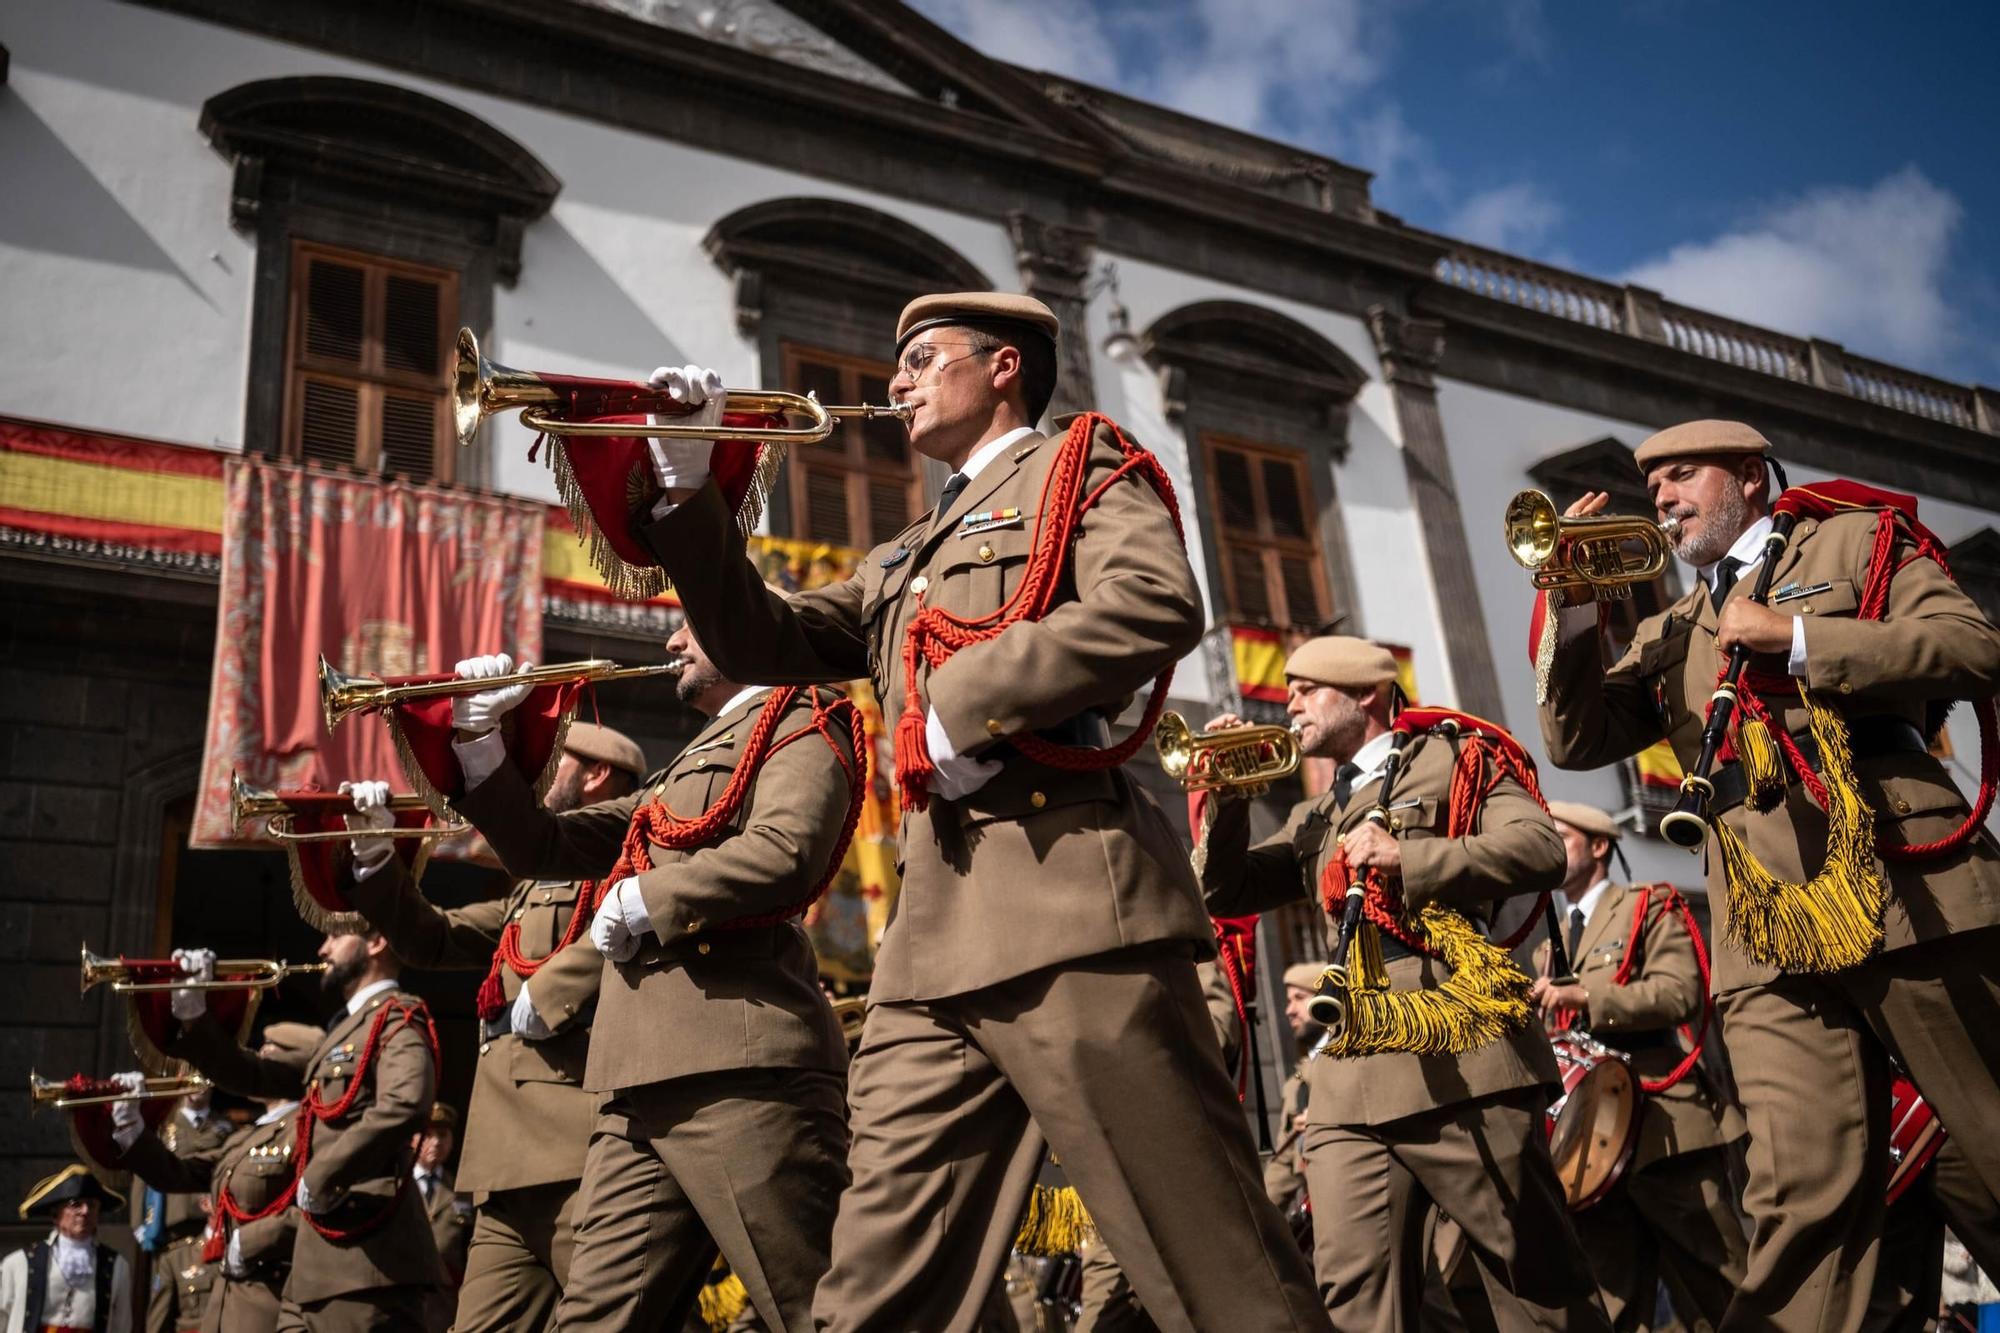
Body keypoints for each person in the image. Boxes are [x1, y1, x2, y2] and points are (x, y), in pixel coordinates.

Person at [633, 290, 1327, 1332]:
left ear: (1003, 366)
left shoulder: (1078, 465)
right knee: (873, 1284)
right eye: (896, 364)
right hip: (931, 943)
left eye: (920, 358)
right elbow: (756, 639)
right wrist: (690, 487)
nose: (895, 382)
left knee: (1209, 1266)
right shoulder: (901, 556)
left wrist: (959, 708)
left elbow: (1153, 600)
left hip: (1069, 913)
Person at [1538, 420, 2000, 1331]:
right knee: (1800, 1187)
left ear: (1749, 477)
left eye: (1681, 475)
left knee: (1990, 1135)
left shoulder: (1852, 535)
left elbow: (1972, 645)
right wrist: (1576, 607)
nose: (1661, 496)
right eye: (1651, 483)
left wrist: (1797, 637)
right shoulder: (1677, 623)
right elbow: (1579, 738)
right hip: (1764, 924)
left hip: (1895, 877)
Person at [439, 622, 859, 1332]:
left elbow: (789, 848)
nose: (669, 642)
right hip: (633, 1089)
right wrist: (480, 749)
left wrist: (648, 898)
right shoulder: (684, 769)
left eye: (692, 624)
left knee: (823, 1311)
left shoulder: (801, 714)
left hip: (739, 1070)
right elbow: (542, 843)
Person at [1199, 635, 1605, 1331]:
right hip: (1352, 1078)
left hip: (1459, 1052)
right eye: (1288, 688)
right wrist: (1228, 800)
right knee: (1357, 1297)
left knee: (1535, 1290)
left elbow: (1539, 846)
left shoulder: (1457, 758)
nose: (1288, 701)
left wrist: (1409, 854)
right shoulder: (1316, 814)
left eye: (1307, 687)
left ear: (1366, 694)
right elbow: (1225, 889)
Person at [336, 723, 647, 1333]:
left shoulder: (628, 860)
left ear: (596, 775)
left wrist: (548, 993)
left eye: (556, 761)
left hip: (575, 1150)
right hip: (503, 1160)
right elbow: (434, 938)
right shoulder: (532, 885)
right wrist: (376, 861)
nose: (537, 777)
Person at [1530, 800, 1749, 1330]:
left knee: (1720, 1289)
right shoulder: (1547, 947)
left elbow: (1681, 994)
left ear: (1600, 845)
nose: (1551, 848)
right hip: (1591, 1149)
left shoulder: (1648, 905)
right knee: (1611, 1307)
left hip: (1663, 1128)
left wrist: (1585, 994)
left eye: (1562, 835)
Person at [166, 931, 446, 1331]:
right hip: (313, 1268)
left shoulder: (396, 1014)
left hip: (365, 1261)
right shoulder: (342, 1031)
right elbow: (255, 1075)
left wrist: (320, 1174)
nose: (323, 949)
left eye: (335, 936)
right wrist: (194, 1017)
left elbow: (405, 1103)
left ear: (377, 942)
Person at [111, 1023, 321, 1333]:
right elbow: (180, 1173)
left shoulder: (308, 1129)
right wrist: (131, 1128)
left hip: (272, 1305)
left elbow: (315, 1211)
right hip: (227, 1306)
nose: (254, 1064)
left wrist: (245, 1242)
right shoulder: (246, 1137)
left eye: (266, 1056)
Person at [138, 1083, 233, 1333]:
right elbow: (144, 1170)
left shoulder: (224, 1127)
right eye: (190, 1079)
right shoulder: (163, 1124)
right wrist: (140, 1223)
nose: (197, 1086)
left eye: (202, 1079)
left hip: (213, 1226)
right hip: (171, 1230)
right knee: (166, 1301)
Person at [0, 1165, 134, 1333]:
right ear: (56, 1213)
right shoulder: (17, 1264)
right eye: (75, 1204)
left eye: (92, 1205)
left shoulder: (117, 1266)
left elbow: (122, 1325)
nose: (85, 1211)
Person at [411, 1104, 469, 1332]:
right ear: (413, 1138)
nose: (436, 1142)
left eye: (443, 1135)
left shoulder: (463, 1191)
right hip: (405, 1297)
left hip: (445, 1305)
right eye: (428, 1134)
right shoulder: (397, 1188)